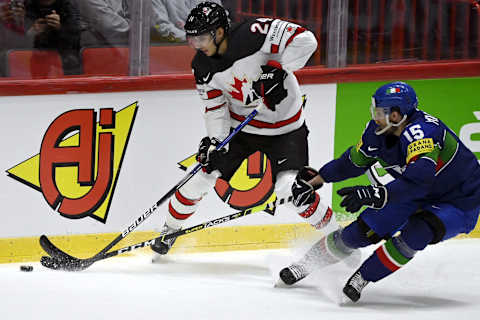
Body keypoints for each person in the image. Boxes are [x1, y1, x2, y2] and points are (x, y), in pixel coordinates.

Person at [151, 2, 336, 256]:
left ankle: (338, 238)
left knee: (288, 189)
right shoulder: (202, 67)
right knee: (201, 177)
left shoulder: (255, 33)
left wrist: (278, 70)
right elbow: (215, 109)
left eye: (202, 39)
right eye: (192, 41)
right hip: (243, 128)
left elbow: (307, 40)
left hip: (286, 129)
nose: (198, 46)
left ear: (218, 32)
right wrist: (216, 142)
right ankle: (168, 232)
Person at [278, 81, 480, 302]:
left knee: (419, 232)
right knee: (360, 233)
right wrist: (318, 179)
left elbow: (421, 178)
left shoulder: (423, 133)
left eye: (380, 111)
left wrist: (376, 194)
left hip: (459, 200)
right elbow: (352, 163)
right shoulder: (378, 131)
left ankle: (364, 277)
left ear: (396, 115)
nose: (375, 116)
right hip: (412, 192)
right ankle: (307, 264)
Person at [24, 0, 82, 75]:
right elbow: (14, 40)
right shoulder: (27, 5)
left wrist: (60, 28)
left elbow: (75, 38)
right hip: (38, 58)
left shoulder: (68, 6)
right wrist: (32, 32)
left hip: (67, 60)